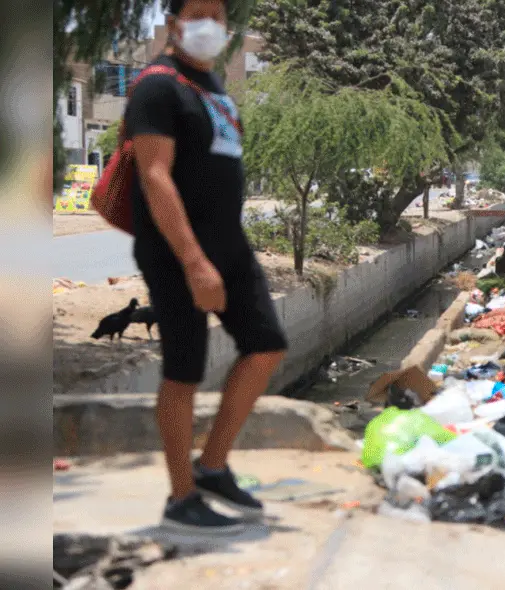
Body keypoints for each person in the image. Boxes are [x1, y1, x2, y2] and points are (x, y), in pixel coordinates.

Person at [126, 0, 287, 534]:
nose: (211, 25)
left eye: (218, 15)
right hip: (177, 253)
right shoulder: (157, 86)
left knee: (265, 345)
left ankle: (212, 466)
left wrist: (220, 254)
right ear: (173, 23)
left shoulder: (214, 87)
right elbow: (155, 176)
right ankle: (180, 497)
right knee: (184, 370)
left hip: (229, 246)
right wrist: (194, 262)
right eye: (198, 13)